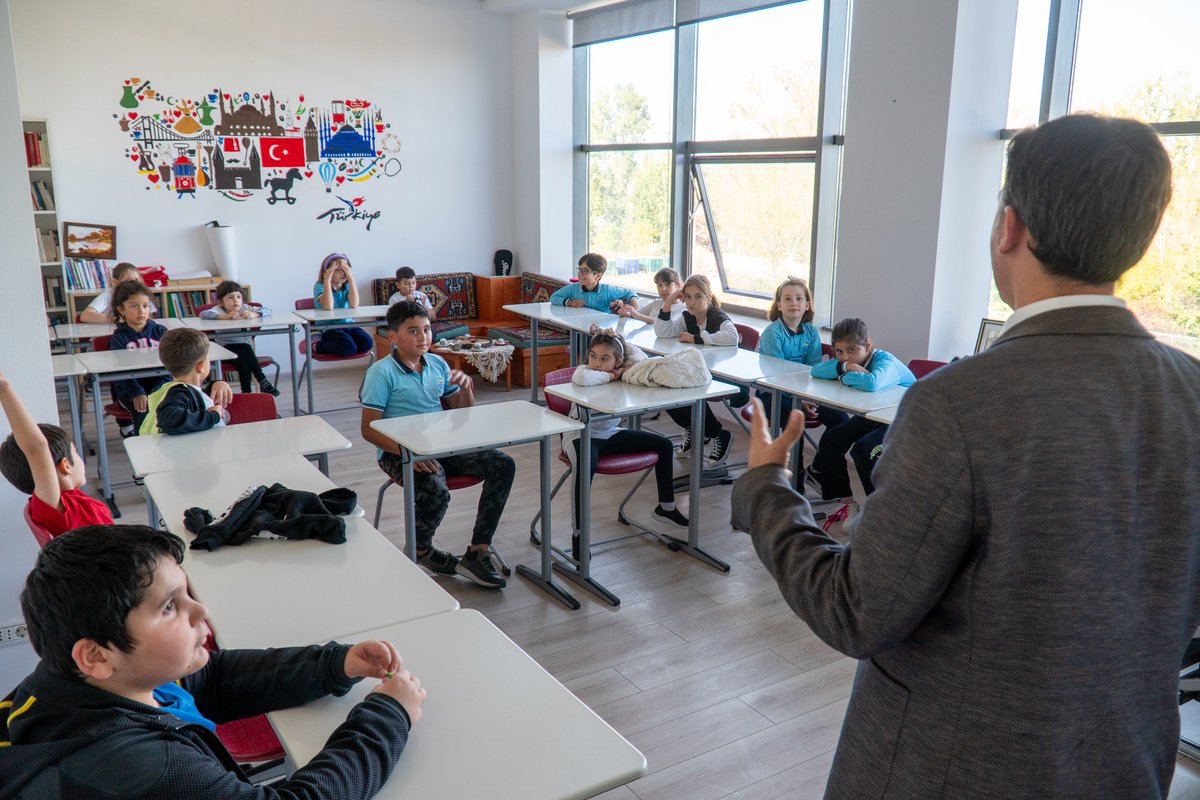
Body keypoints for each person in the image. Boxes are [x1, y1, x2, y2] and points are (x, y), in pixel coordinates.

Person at [731, 114, 1200, 799]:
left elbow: (854, 609)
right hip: (1126, 766)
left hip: (950, 770)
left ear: (1009, 228)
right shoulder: (1192, 393)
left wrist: (768, 486)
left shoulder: (958, 403)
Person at [0, 524, 425, 799]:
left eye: (186, 592)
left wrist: (335, 664)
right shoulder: (141, 766)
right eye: (169, 606)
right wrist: (389, 714)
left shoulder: (85, 681)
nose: (201, 610)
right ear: (95, 655)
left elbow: (214, 679)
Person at [360, 301, 513, 589]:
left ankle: (478, 550)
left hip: (439, 445)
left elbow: (462, 415)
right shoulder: (381, 372)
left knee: (503, 464)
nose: (423, 337)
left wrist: (466, 388)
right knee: (436, 490)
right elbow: (369, 429)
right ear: (392, 336)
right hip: (398, 451)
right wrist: (410, 454)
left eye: (427, 329)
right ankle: (420, 549)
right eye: (413, 331)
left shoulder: (438, 364)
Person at [563, 329, 688, 558]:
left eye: (605, 358)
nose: (597, 363)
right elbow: (582, 378)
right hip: (580, 435)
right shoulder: (584, 372)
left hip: (610, 434)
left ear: (619, 361)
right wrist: (612, 375)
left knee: (664, 445)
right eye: (593, 356)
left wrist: (621, 359)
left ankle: (666, 507)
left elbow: (642, 364)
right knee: (585, 466)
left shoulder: (626, 372)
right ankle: (579, 534)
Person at [805, 317, 914, 503]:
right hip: (876, 416)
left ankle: (880, 510)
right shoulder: (848, 362)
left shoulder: (886, 361)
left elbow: (872, 383)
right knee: (831, 441)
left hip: (904, 421)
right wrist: (847, 367)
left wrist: (842, 375)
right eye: (839, 352)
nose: (845, 356)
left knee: (864, 450)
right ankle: (845, 502)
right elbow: (816, 371)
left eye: (851, 350)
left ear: (868, 345)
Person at [0, 369, 111, 539]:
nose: (80, 458)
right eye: (75, 452)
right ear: (65, 465)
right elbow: (36, 449)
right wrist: (4, 388)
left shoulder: (69, 500)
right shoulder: (57, 509)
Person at [653, 274, 742, 467]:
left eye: (698, 296)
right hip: (701, 372)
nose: (692, 302)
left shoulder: (717, 315)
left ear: (708, 298)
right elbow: (663, 332)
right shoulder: (688, 317)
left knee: (686, 388)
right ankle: (692, 429)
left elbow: (732, 337)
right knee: (664, 385)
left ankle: (718, 434)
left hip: (726, 376)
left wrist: (697, 338)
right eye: (688, 297)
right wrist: (670, 300)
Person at [755, 276, 848, 433]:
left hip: (804, 391)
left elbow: (813, 369)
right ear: (779, 305)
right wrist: (798, 400)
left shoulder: (811, 332)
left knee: (840, 419)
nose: (794, 303)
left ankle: (826, 451)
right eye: (788, 299)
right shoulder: (772, 333)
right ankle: (792, 452)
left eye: (799, 298)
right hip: (773, 393)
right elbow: (776, 375)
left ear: (807, 305)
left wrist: (807, 397)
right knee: (796, 417)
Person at [139, 328, 233, 436]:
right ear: (201, 366)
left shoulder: (176, 389)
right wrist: (213, 415)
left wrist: (217, 383)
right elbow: (169, 419)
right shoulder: (178, 393)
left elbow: (196, 398)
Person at [108, 281, 169, 437]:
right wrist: (136, 392)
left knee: (173, 403)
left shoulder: (161, 332)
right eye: (134, 306)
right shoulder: (119, 338)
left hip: (160, 383)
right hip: (130, 388)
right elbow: (121, 373)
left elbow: (171, 365)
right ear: (121, 310)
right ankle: (143, 446)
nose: (141, 311)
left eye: (145, 306)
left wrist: (159, 389)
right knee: (142, 410)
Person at [198, 280, 279, 396]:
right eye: (230, 297)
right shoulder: (218, 309)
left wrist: (255, 314)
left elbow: (267, 310)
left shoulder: (245, 308)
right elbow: (203, 314)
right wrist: (223, 316)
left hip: (244, 353)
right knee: (245, 350)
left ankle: (246, 393)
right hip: (225, 350)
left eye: (238, 297)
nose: (235, 300)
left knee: (243, 358)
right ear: (221, 302)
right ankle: (262, 381)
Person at [313, 252, 373, 356]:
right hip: (329, 327)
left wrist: (351, 278)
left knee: (367, 343)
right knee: (349, 348)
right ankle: (316, 345)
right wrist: (327, 279)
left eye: (345, 269)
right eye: (337, 270)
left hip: (349, 324)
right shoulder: (320, 286)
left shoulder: (347, 285)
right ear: (326, 272)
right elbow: (328, 306)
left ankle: (350, 343)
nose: (343, 273)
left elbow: (354, 304)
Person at [550, 253, 640, 313]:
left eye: (585, 270)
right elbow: (553, 297)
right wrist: (570, 302)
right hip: (579, 326)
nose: (580, 274)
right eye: (579, 269)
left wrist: (634, 307)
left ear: (597, 276)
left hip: (601, 329)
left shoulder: (607, 290)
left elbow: (630, 293)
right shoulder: (573, 288)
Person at [78, 262, 156, 324]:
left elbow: (150, 316)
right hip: (111, 334)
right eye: (128, 281)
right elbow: (85, 315)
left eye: (136, 280)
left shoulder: (143, 295)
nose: (133, 284)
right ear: (115, 282)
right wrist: (117, 318)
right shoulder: (108, 295)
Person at [613, 267, 684, 324]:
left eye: (667, 284)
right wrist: (626, 313)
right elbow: (636, 314)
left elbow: (663, 324)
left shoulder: (682, 308)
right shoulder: (656, 303)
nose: (663, 289)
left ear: (678, 286)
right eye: (660, 285)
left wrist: (637, 315)